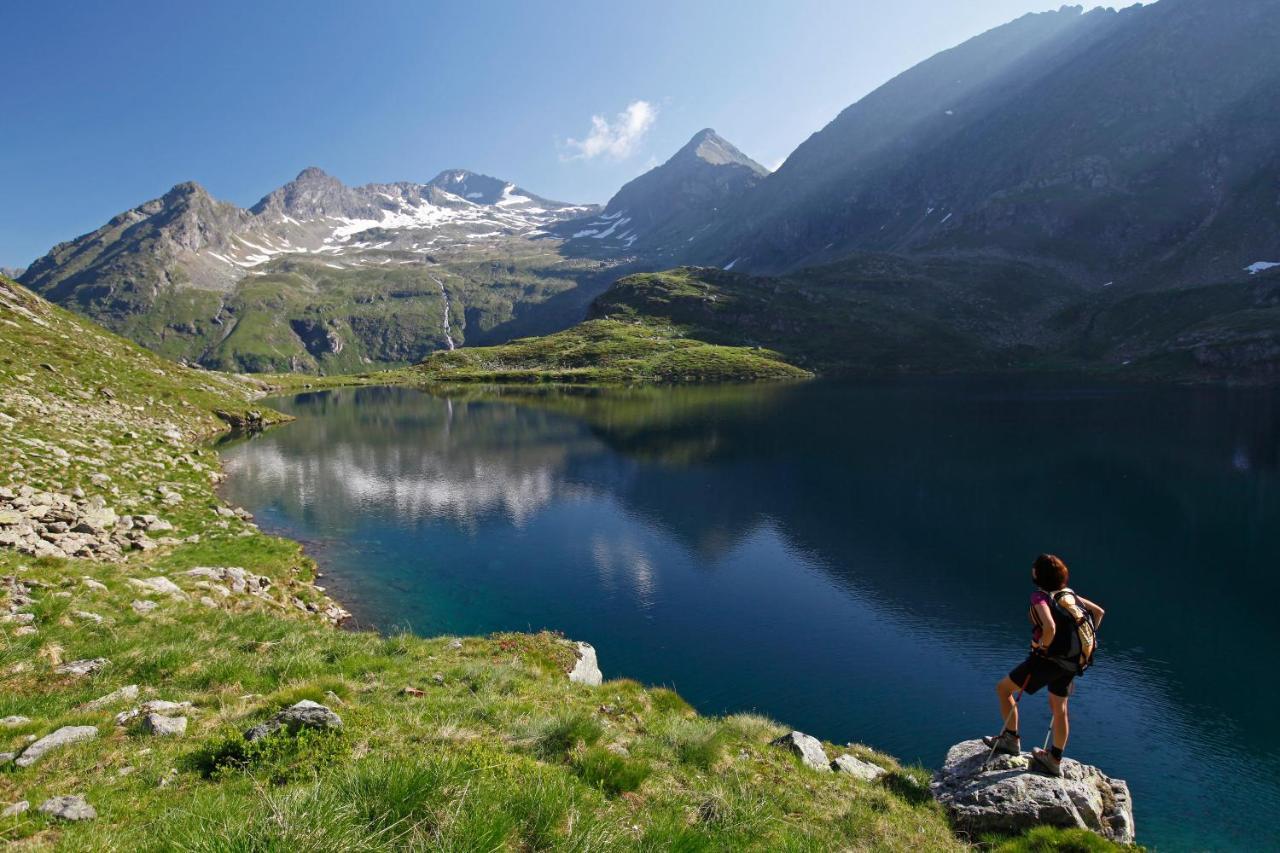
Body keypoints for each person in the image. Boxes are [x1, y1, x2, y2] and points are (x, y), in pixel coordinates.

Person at [983, 553, 1105, 776]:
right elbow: (1098, 613)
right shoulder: (1068, 595)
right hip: (1072, 662)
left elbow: (1049, 627)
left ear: (1038, 575)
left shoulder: (1040, 598)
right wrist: (1083, 642)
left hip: (1048, 660)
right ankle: (1054, 758)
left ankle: (1010, 739)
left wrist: (1042, 649)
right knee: (1060, 709)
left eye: (1034, 569)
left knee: (1003, 689)